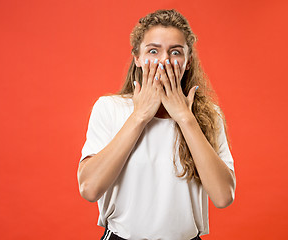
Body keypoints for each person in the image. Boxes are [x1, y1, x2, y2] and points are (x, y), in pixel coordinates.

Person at [77, 9, 236, 240]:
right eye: (153, 51)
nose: (164, 60)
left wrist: (185, 118)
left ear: (188, 61)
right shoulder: (109, 108)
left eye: (175, 52)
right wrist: (139, 116)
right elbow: (89, 189)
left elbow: (223, 196)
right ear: (138, 59)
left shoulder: (209, 115)